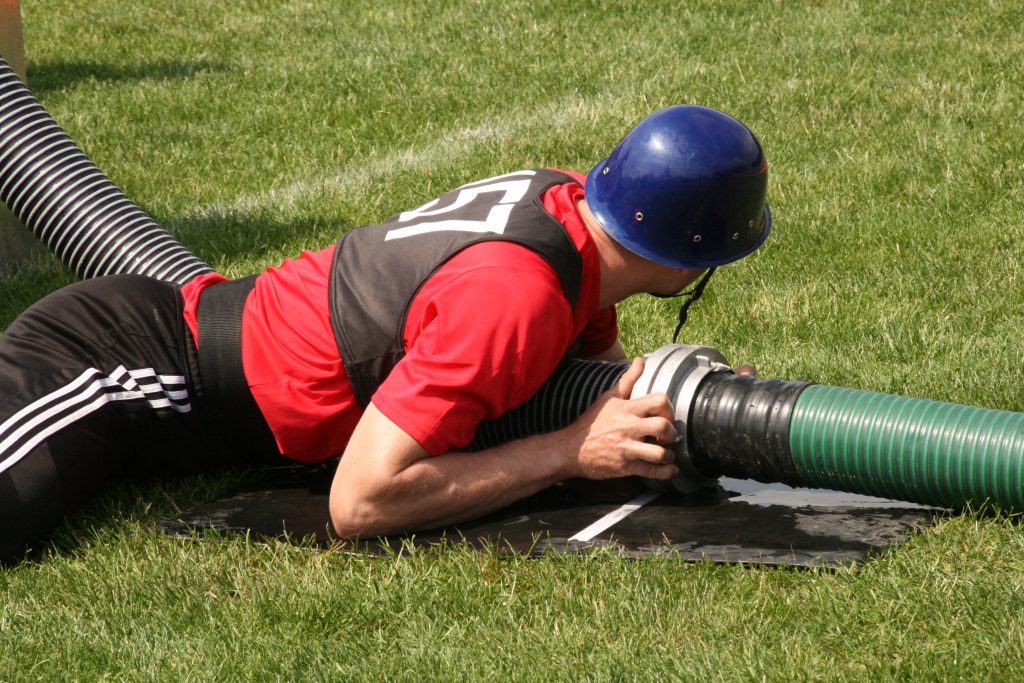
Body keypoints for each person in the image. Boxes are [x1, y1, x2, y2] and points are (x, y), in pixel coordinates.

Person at [0, 104, 771, 560]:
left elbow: (596, 377)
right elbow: (360, 503)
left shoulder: (569, 220)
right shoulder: (519, 295)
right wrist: (568, 450)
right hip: (126, 365)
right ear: (688, 258)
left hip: (174, 380)